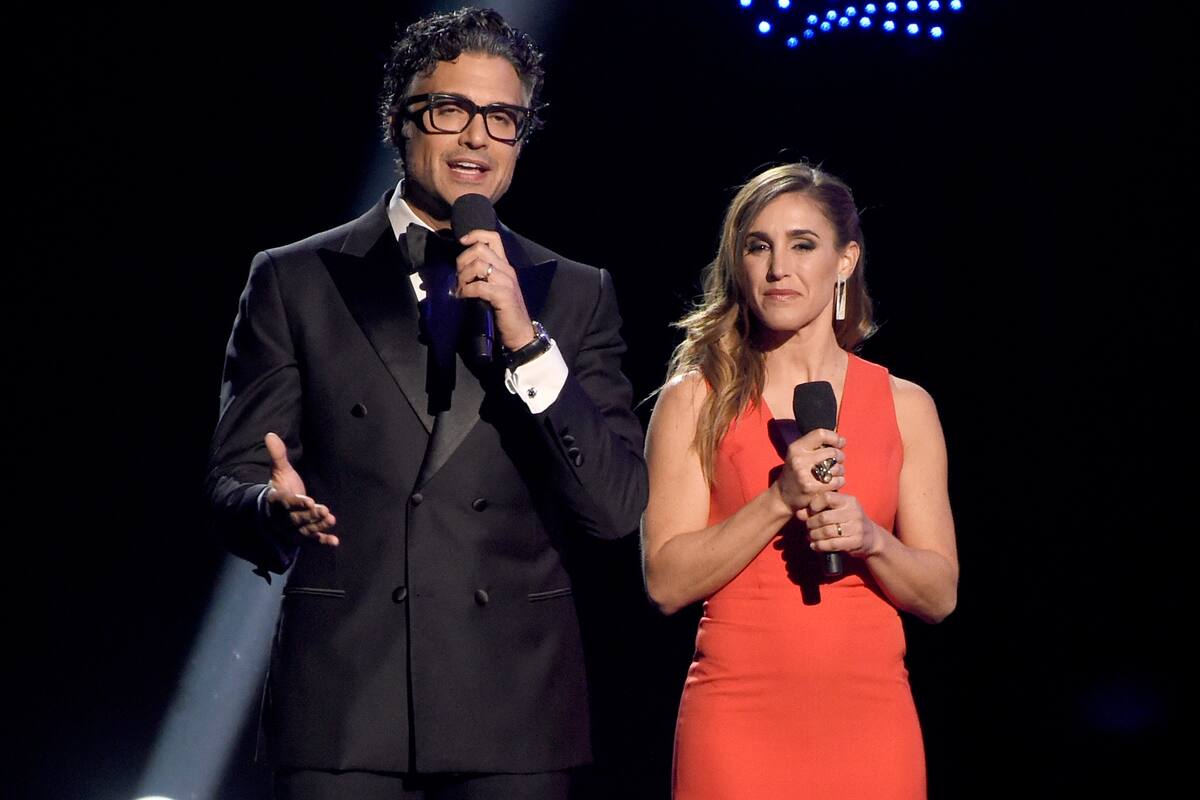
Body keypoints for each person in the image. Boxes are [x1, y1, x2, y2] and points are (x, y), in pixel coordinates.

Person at [204, 8, 647, 799]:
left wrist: (524, 338)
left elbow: (614, 508)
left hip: (514, 704)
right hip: (346, 697)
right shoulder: (295, 278)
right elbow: (234, 480)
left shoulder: (575, 296)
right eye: (451, 111)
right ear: (400, 123)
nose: (477, 138)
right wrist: (274, 508)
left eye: (502, 118)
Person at [641, 162, 958, 799]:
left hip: (871, 721)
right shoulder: (695, 400)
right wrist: (779, 499)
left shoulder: (906, 405)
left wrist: (872, 539)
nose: (778, 266)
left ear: (846, 261)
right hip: (737, 718)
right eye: (759, 246)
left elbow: (940, 594)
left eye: (802, 245)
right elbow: (665, 582)